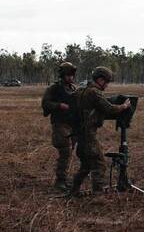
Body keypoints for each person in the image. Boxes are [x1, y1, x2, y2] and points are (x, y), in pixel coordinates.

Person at [69, 66, 131, 195]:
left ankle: (74, 190)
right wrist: (124, 106)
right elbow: (108, 108)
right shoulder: (94, 92)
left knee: (86, 165)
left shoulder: (81, 90)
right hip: (88, 134)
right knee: (99, 163)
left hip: (79, 133)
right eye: (107, 82)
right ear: (100, 80)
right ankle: (98, 195)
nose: (107, 85)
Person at [41, 62, 78, 192]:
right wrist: (59, 106)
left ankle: (64, 178)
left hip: (72, 125)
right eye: (68, 75)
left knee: (69, 152)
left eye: (72, 75)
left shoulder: (73, 89)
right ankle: (60, 180)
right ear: (63, 75)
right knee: (65, 151)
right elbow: (45, 103)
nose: (71, 78)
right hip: (60, 124)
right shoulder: (54, 89)